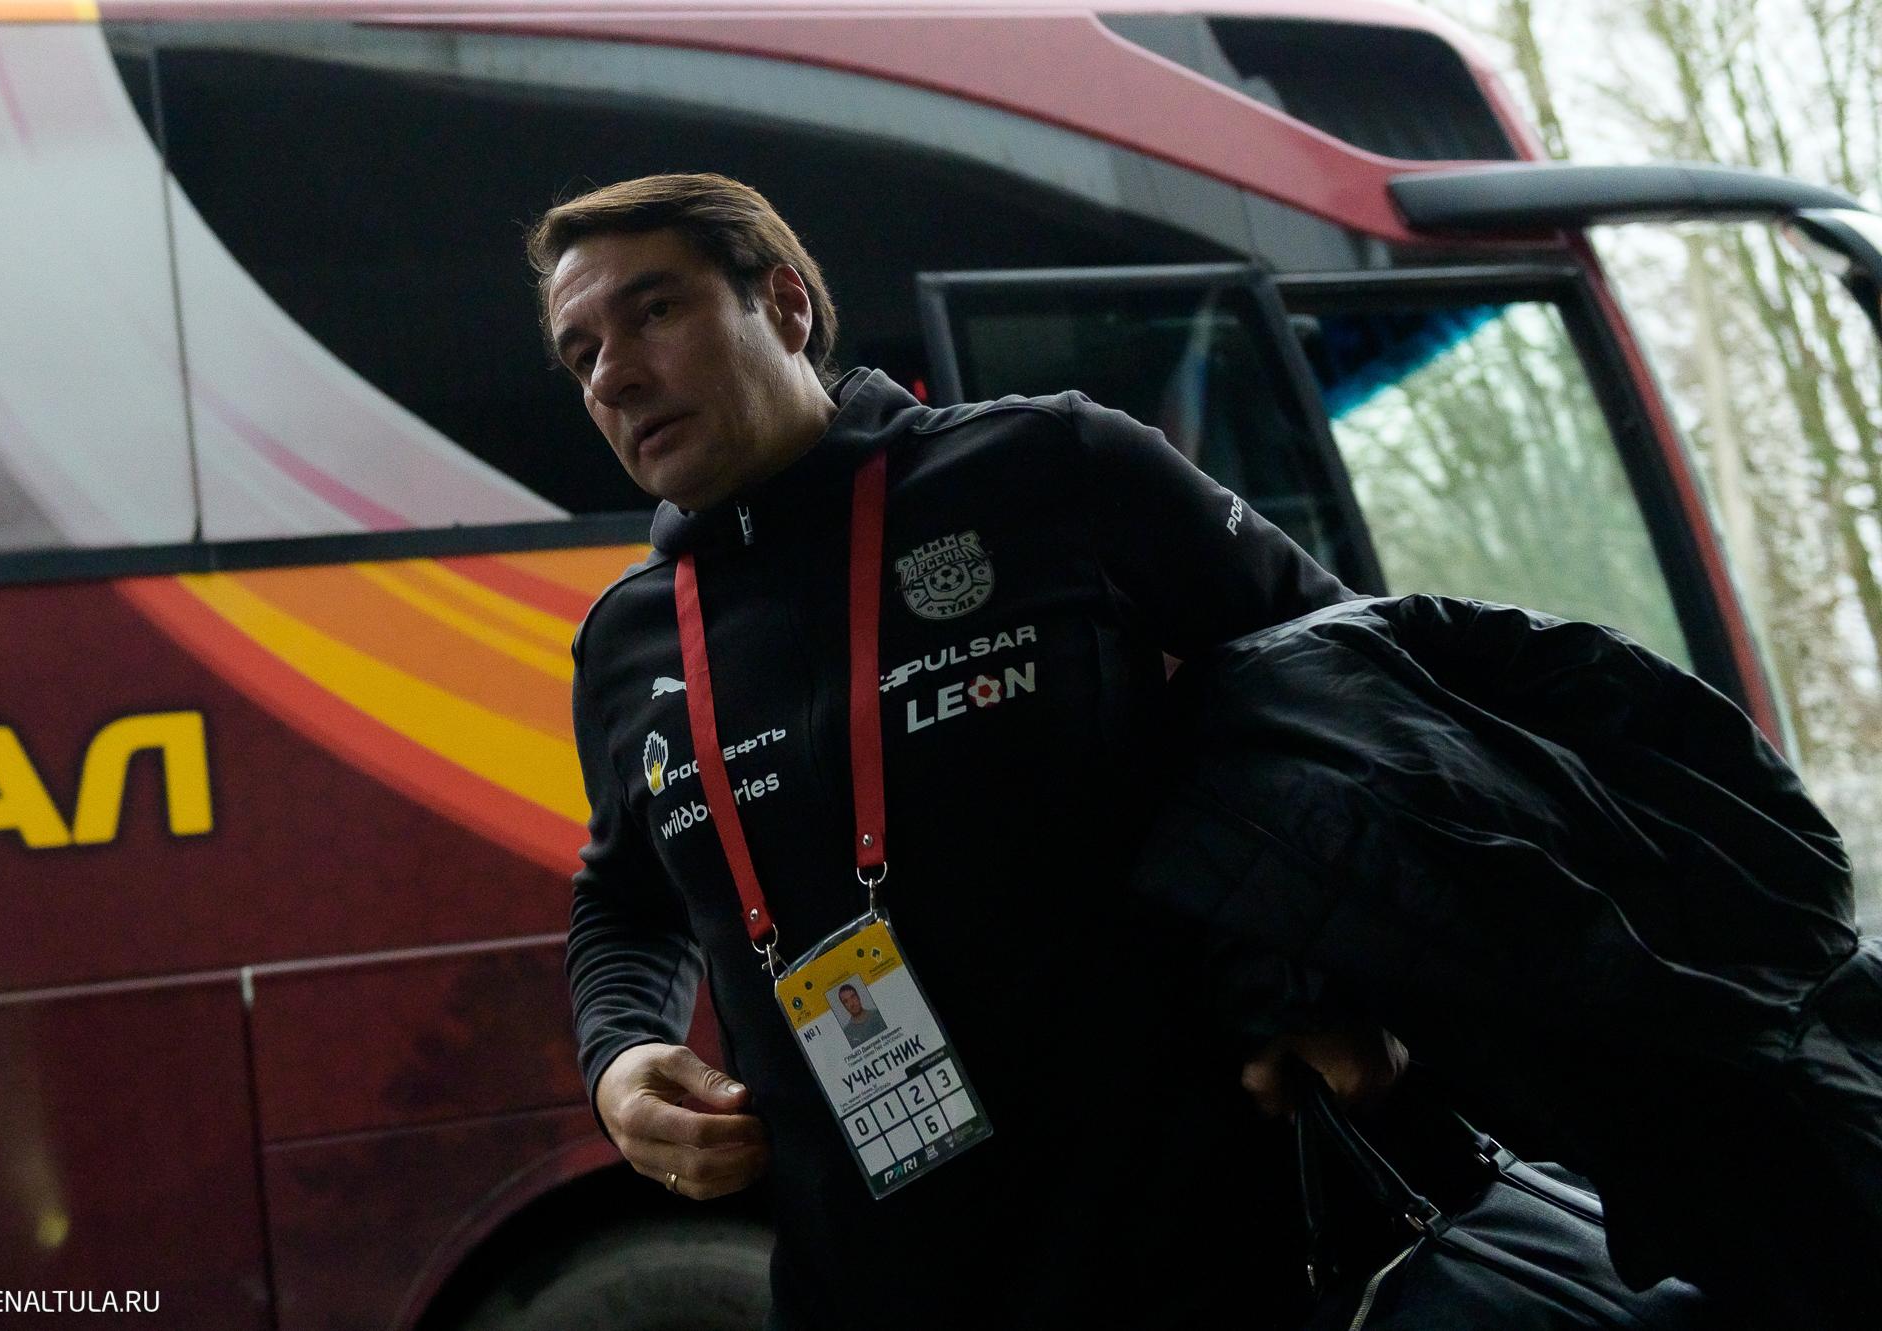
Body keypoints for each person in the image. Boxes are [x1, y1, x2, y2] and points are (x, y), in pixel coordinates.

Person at [532, 173, 1406, 1329]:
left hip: (1206, 1247)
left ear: (784, 305)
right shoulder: (625, 642)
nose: (613, 374)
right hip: (872, 1289)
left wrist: (1328, 972)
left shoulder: (1048, 465)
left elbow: (1347, 677)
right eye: (580, 353)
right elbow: (623, 899)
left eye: (652, 311)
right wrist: (619, 1055)